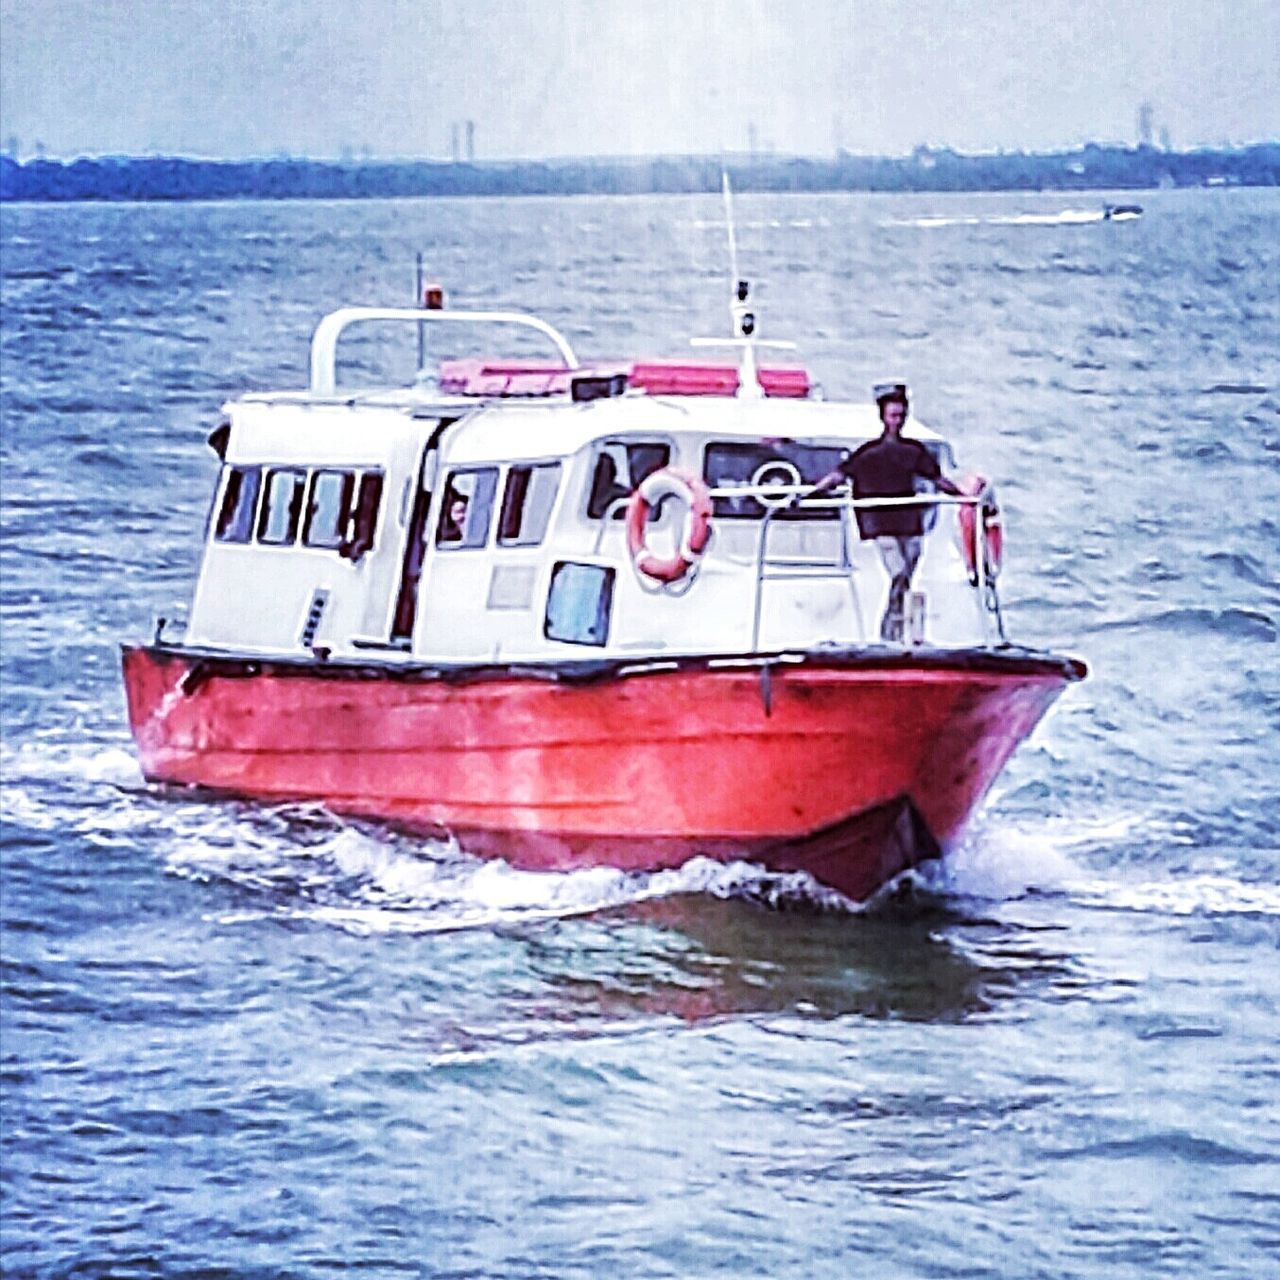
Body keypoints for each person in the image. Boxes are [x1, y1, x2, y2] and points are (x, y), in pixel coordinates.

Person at [796, 382, 961, 643]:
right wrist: (810, 493)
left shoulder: (914, 451)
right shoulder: (869, 453)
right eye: (893, 415)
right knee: (898, 572)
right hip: (880, 523)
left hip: (909, 522)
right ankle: (889, 630)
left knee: (907, 575)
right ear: (883, 417)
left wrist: (964, 497)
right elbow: (839, 475)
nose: (897, 421)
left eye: (901, 416)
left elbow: (938, 479)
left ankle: (901, 628)